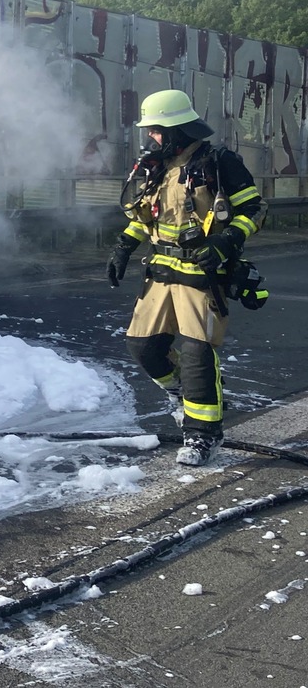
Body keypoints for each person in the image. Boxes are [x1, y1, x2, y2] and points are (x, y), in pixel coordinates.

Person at [106, 89, 266, 466]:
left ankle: (202, 435)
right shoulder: (155, 165)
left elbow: (254, 210)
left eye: (157, 130)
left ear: (178, 128)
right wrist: (122, 248)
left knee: (196, 353)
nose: (152, 137)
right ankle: (183, 394)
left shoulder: (219, 162)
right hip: (161, 270)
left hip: (202, 273)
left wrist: (227, 240)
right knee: (142, 346)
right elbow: (146, 217)